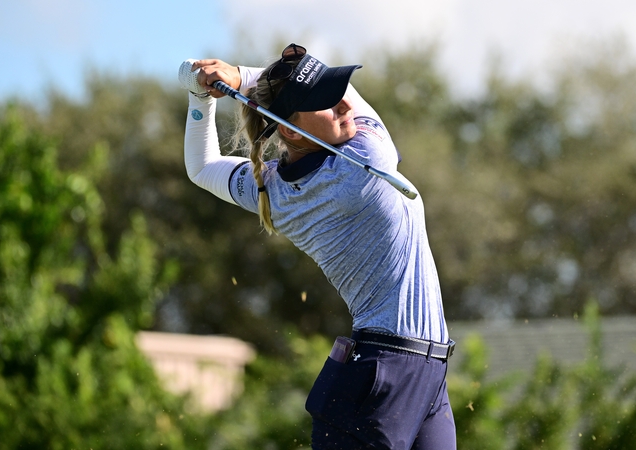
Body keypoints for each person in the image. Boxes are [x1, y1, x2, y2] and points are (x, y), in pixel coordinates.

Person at [182, 43, 456, 449]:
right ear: (290, 130)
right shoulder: (365, 159)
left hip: (418, 372)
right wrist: (240, 75)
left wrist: (198, 97)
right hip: (381, 378)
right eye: (328, 102)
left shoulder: (269, 191)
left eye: (338, 92)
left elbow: (202, 167)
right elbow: (358, 99)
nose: (345, 105)